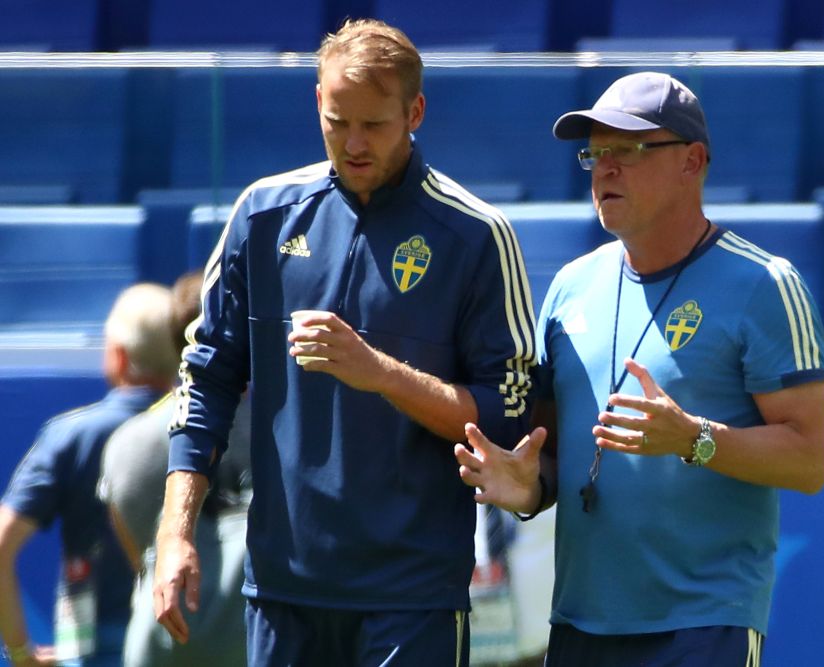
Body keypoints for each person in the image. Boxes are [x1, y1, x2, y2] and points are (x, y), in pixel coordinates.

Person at [153, 18, 536, 667]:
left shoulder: (474, 236)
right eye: (337, 121)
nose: (353, 143)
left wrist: (382, 373)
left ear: (415, 111)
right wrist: (174, 530)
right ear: (317, 103)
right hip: (281, 589)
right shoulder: (261, 214)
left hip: (411, 596)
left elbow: (507, 418)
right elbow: (206, 379)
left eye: (375, 124)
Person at [454, 71, 824, 666]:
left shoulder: (766, 285)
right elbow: (550, 453)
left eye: (627, 150)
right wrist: (528, 487)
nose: (605, 169)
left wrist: (693, 439)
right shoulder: (571, 287)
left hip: (706, 621)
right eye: (595, 153)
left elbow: (810, 460)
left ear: (693, 161)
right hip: (580, 620)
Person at [0, 283, 177, 666]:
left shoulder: (68, 437)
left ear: (118, 356)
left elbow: (2, 543)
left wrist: (19, 651)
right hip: (188, 636)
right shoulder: (203, 432)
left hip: (92, 643)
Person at [97, 270, 251, 667]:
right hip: (256, 642)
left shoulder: (124, 445)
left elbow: (139, 559)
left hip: (162, 642)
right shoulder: (288, 428)